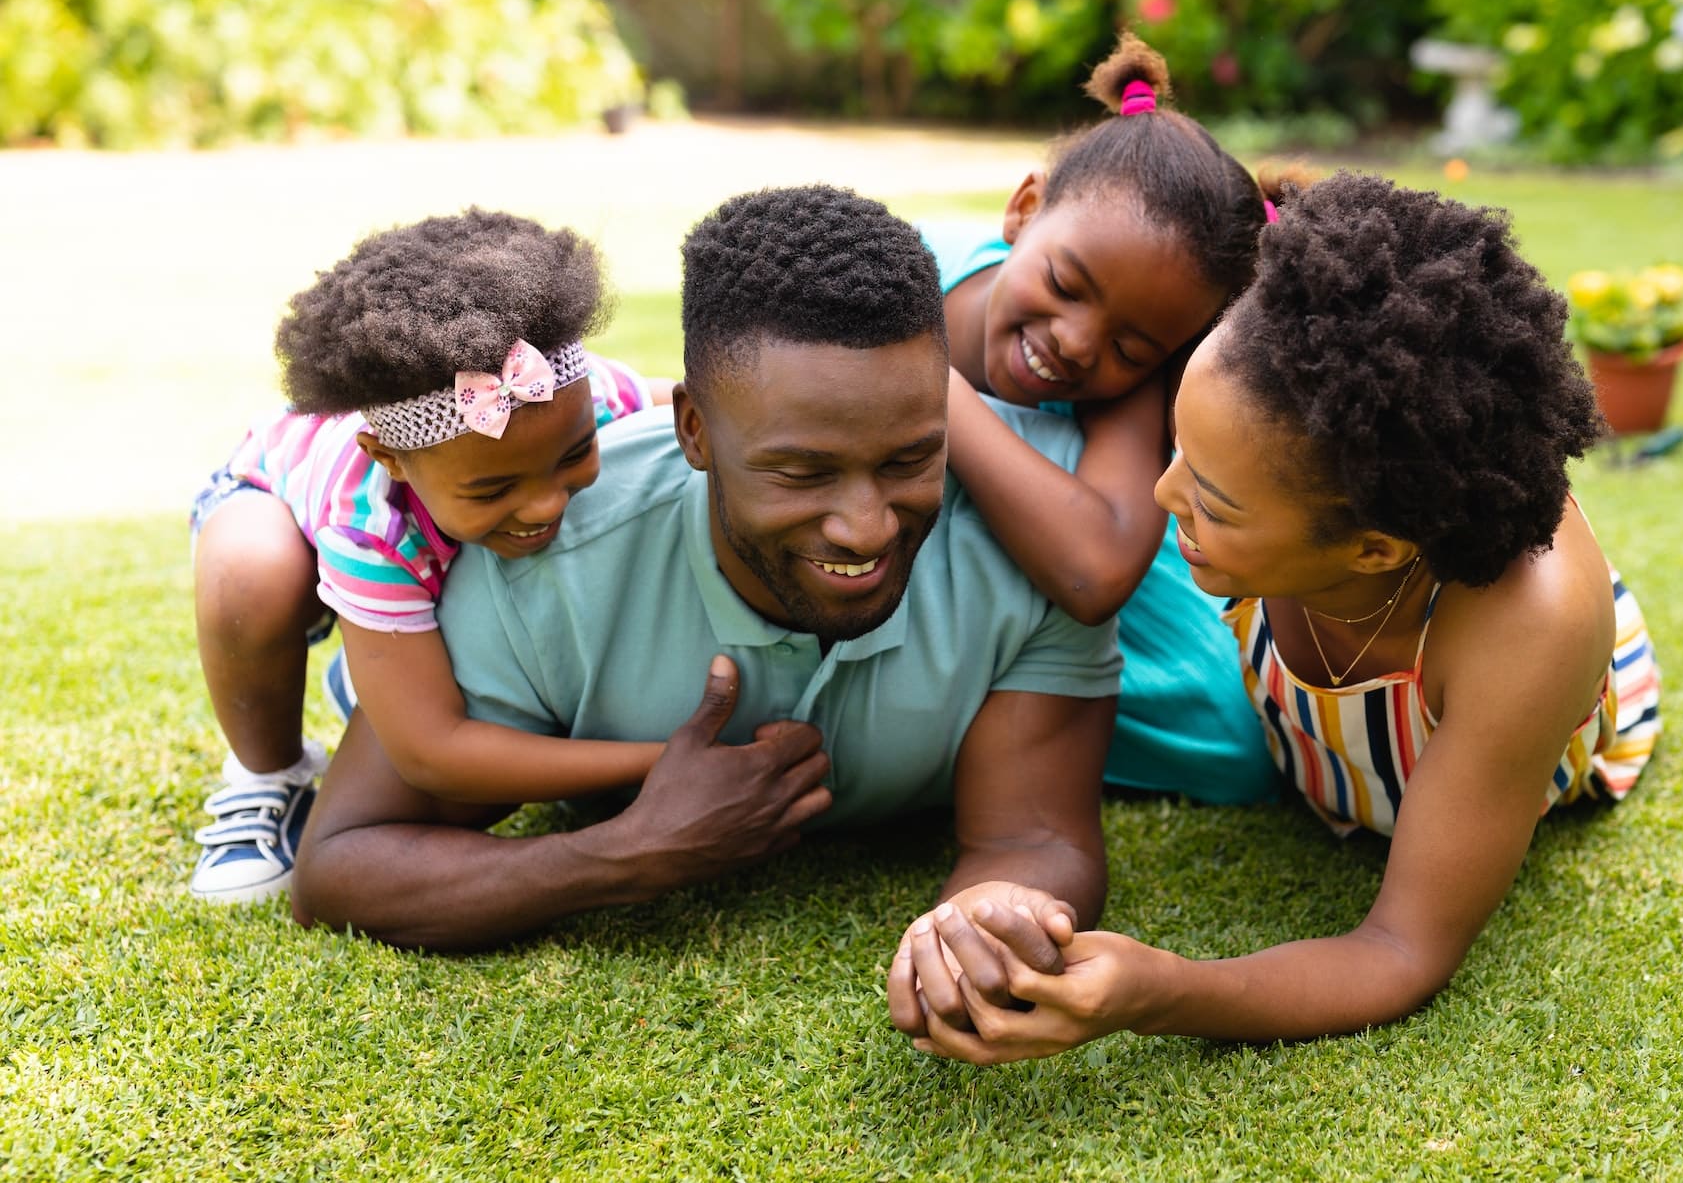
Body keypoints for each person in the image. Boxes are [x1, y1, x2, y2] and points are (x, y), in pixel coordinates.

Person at [890, 172, 1664, 1060]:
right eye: (1179, 448)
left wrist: (1159, 988)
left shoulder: (1523, 630)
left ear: (1373, 549)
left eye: (1210, 503)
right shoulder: (1268, 418)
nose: (1160, 492)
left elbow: (1399, 949)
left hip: (1496, 732)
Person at [288, 185, 1124, 961]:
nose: (866, 525)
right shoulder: (542, 572)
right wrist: (623, 854)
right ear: (693, 429)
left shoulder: (1032, 547)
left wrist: (976, 935)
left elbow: (1036, 838)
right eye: (802, 472)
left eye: (912, 458)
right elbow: (342, 864)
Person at [186, 210, 675, 905]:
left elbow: (690, 414)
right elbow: (431, 749)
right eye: (496, 485)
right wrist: (659, 763)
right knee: (251, 577)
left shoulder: (577, 393)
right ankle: (270, 775)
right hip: (274, 496)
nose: (544, 504)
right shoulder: (372, 527)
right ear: (392, 460)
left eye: (573, 455)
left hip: (439, 522)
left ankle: (373, 681)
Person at [929, 32, 1291, 806]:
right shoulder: (910, 266)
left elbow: (1095, 571)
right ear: (1025, 208)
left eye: (1132, 344)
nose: (1076, 341)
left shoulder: (1125, 392)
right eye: (1066, 282)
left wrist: (922, 382)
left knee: (1236, 743)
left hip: (1122, 594)